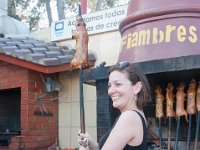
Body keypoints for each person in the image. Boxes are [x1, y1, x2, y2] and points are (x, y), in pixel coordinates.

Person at [77, 61, 151, 150]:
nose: (111, 91)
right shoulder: (135, 115)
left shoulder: (129, 117)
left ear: (137, 87)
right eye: (109, 86)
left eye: (118, 84)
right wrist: (91, 143)